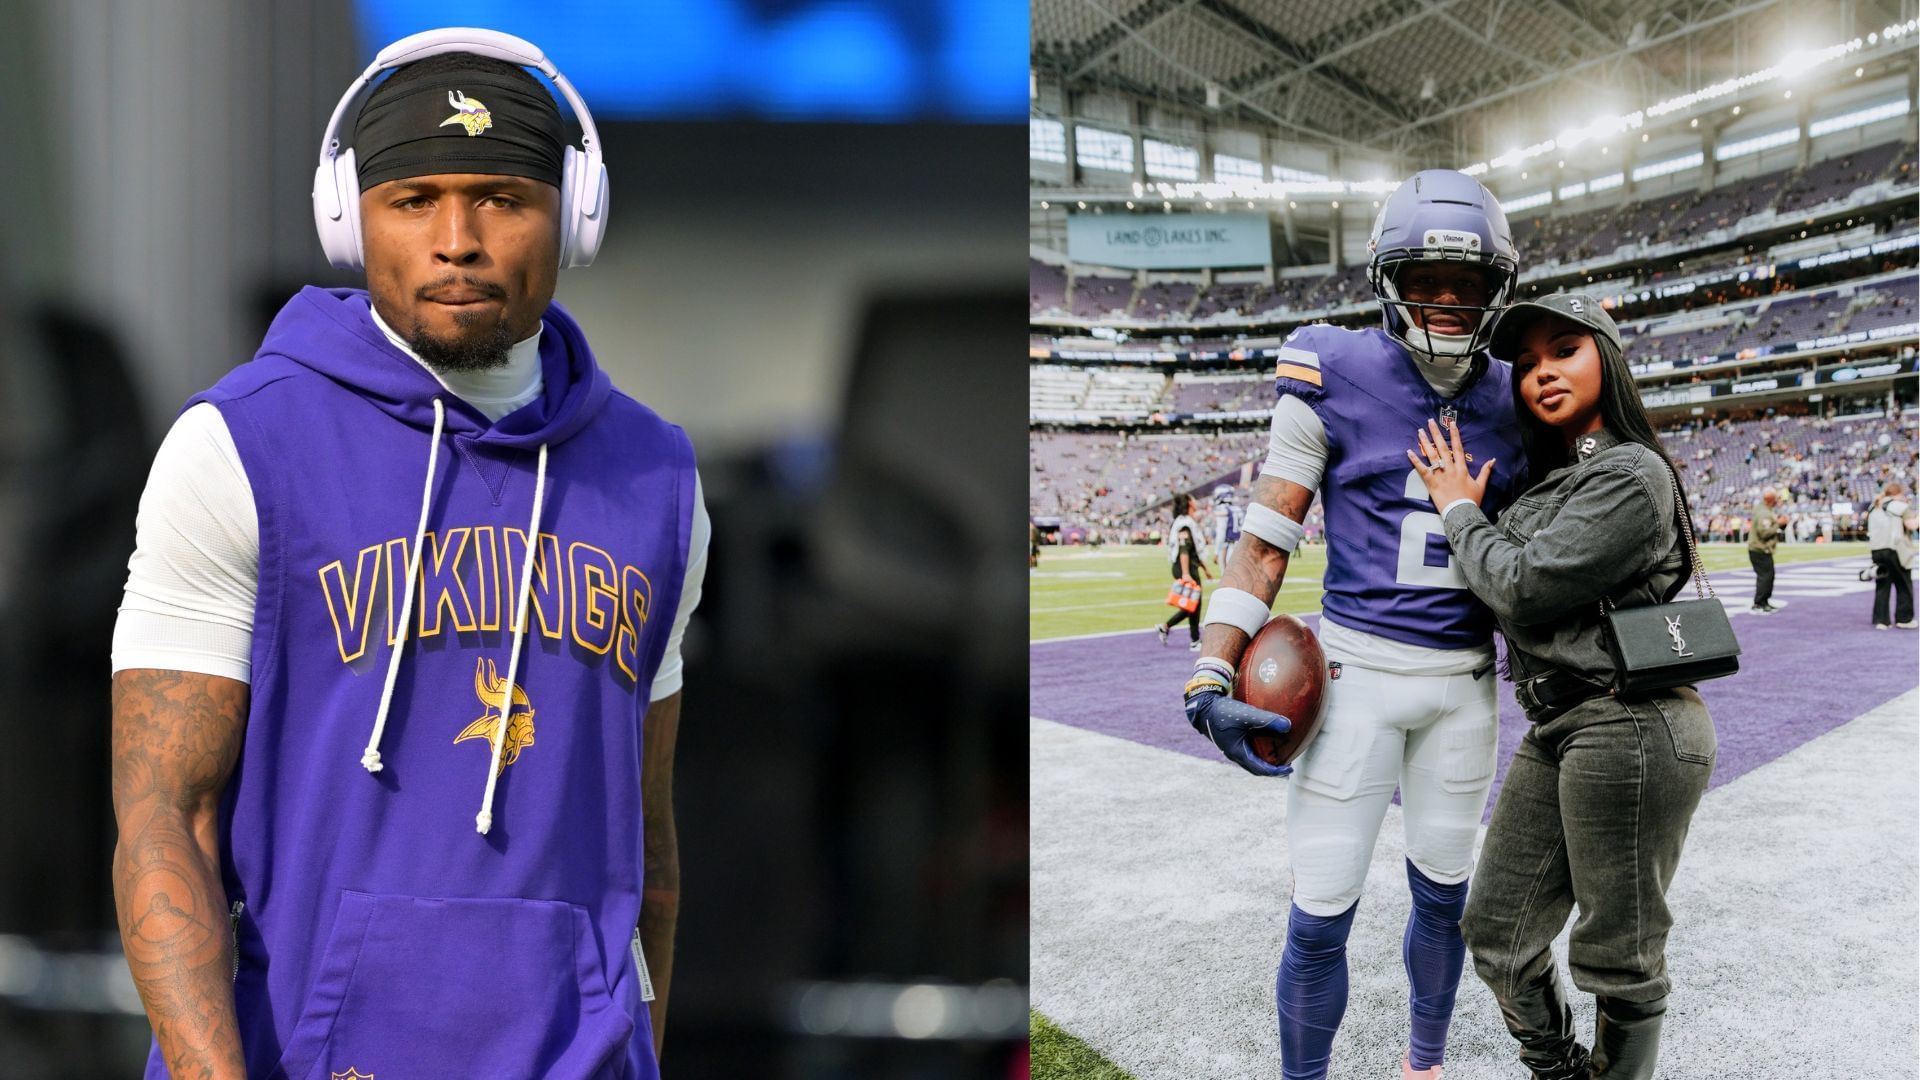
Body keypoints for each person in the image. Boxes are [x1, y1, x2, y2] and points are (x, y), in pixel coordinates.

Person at [109, 30, 703, 1080]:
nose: (458, 238)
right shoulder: (241, 448)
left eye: (503, 198)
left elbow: (645, 843)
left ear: (575, 215)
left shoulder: (655, 478)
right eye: (414, 197)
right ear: (349, 219)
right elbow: (168, 818)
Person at [1178, 170, 1526, 1080]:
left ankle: (1425, 1065)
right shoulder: (1331, 365)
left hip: (1466, 685)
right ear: (1385, 275)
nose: (1448, 304)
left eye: (1469, 284)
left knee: (1444, 902)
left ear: (1500, 289)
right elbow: (1265, 537)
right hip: (1357, 680)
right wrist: (1211, 671)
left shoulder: (1518, 393)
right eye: (1426, 279)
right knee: (1322, 911)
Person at [1410, 293, 1715, 1080]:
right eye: (1529, 363)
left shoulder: (1631, 470)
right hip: (1562, 723)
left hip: (1632, 723)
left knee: (1619, 954)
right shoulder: (1547, 481)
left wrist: (1457, 511)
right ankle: (1564, 1072)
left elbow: (1521, 584)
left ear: (1607, 360)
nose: (1542, 372)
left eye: (1566, 351)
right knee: (1497, 933)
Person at [1867, 481, 1916, 628]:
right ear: (1898, 493)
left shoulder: (1873, 507)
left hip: (1876, 549)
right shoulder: (1900, 506)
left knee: (1882, 585)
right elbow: (1912, 525)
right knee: (1903, 585)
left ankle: (1881, 620)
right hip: (1895, 549)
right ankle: (1904, 619)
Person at [1158, 524, 1210, 650]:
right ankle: (1195, 640)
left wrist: (1206, 569)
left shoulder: (1189, 524)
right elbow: (1184, 550)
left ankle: (1166, 627)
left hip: (1190, 567)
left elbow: (1195, 552)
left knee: (1192, 604)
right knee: (1194, 604)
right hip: (1186, 569)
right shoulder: (1184, 525)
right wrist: (1186, 573)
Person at [1747, 487, 1783, 613]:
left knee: (1767, 576)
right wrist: (1778, 524)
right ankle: (1759, 603)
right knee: (1765, 577)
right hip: (1760, 549)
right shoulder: (1764, 513)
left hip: (1760, 549)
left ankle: (1764, 601)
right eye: (1776, 498)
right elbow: (1764, 532)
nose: (1777, 501)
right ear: (1770, 499)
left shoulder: (1763, 509)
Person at [1211, 482, 1244, 569]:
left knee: (1227, 574)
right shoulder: (1238, 509)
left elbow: (1221, 534)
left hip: (1229, 545)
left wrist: (1216, 552)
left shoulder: (1221, 510)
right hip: (1240, 545)